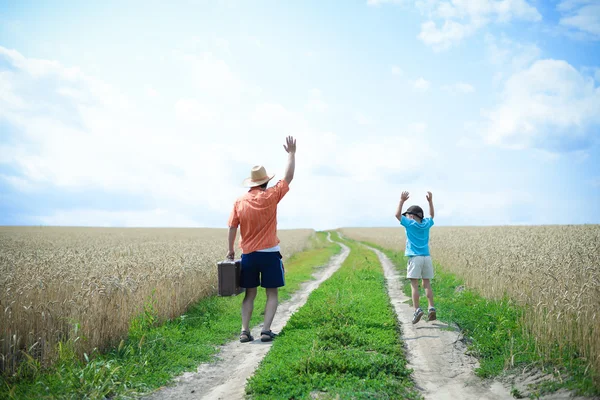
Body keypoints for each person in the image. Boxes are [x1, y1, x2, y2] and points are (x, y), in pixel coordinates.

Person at [226, 136, 296, 343]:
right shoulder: (271, 196)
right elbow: (289, 176)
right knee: (272, 293)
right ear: (266, 181)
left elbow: (232, 226)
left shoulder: (239, 201)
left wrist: (230, 250)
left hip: (248, 255)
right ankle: (266, 330)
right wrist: (292, 153)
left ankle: (244, 331)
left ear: (251, 183)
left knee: (250, 294)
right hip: (270, 253)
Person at [395, 191, 436, 324]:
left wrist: (401, 201)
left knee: (414, 285)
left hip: (415, 258)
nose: (406, 217)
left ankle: (417, 309)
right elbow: (432, 215)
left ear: (411, 216)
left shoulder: (410, 224)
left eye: (407, 215)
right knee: (427, 283)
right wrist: (430, 202)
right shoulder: (426, 223)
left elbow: (397, 215)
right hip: (426, 258)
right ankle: (431, 307)